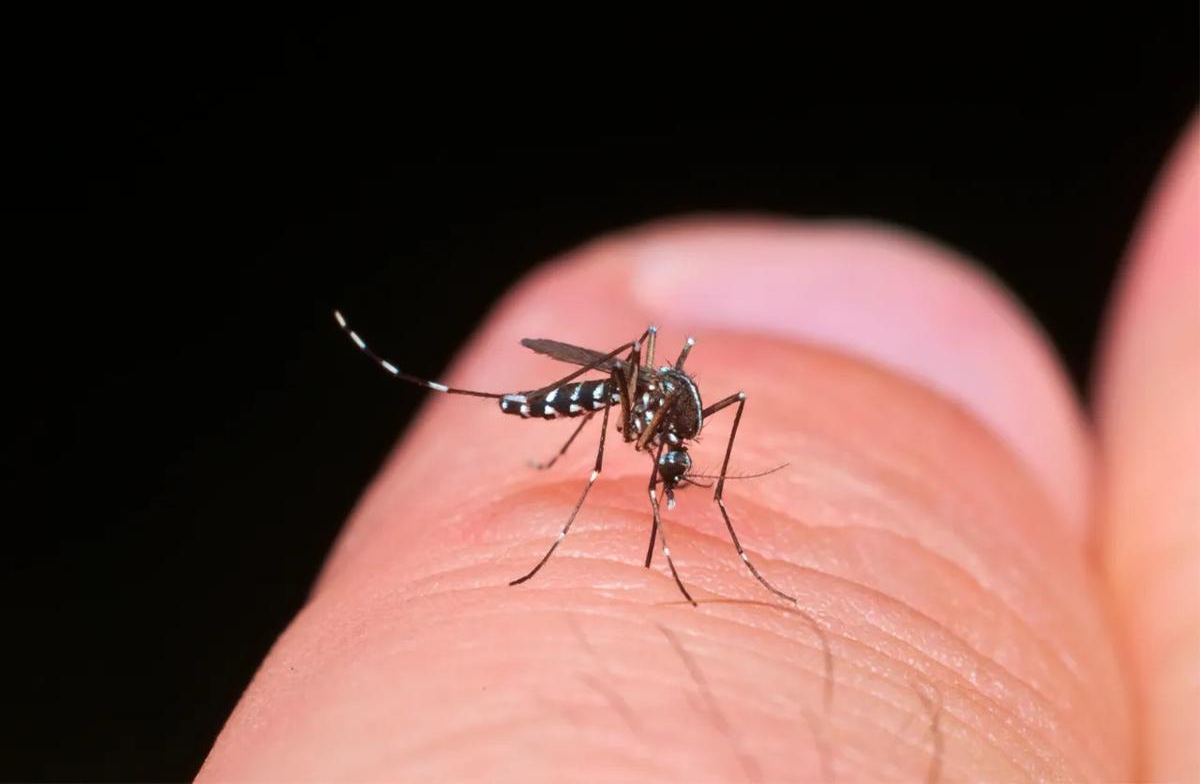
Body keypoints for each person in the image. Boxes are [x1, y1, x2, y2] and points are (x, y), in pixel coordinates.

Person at [199, 119, 1197, 782]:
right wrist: (590, 468)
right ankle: (560, 478)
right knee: (640, 368)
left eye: (675, 473)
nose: (672, 478)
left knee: (688, 377)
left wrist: (702, 491)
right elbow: (638, 383)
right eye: (674, 473)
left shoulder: (691, 424)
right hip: (597, 387)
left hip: (636, 393)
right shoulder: (652, 413)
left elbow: (692, 422)